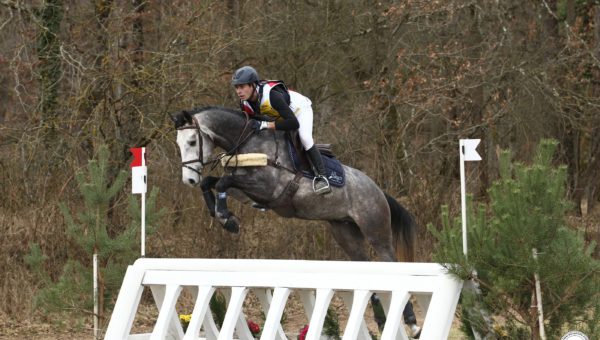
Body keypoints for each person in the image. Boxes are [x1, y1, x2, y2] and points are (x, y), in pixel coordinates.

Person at [231, 66, 331, 195]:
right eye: (236, 87)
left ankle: (322, 177)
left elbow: (293, 123)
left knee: (305, 138)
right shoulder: (245, 103)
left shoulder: (271, 95)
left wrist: (266, 125)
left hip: (300, 111)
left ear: (252, 85)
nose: (239, 91)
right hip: (280, 116)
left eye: (242, 86)